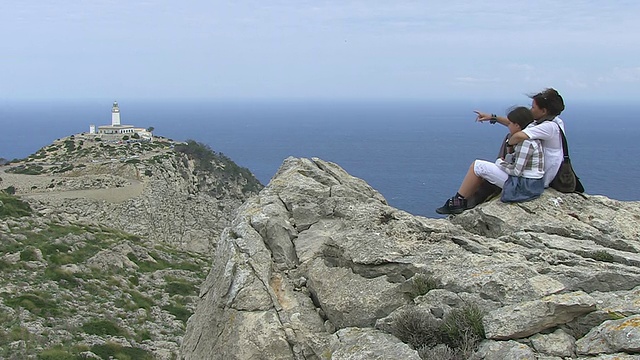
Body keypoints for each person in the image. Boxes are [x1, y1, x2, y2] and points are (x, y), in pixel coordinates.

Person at [436, 106, 544, 215]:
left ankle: (456, 202)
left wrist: (501, 164)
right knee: (484, 169)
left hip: (523, 187)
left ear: (517, 125)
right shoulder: (531, 132)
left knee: (477, 166)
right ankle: (461, 201)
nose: (508, 125)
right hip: (532, 184)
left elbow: (517, 171)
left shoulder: (526, 142)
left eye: (510, 123)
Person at [476, 88, 565, 188]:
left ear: (543, 111)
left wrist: (509, 145)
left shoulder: (549, 127)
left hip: (537, 179)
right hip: (535, 175)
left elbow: (518, 135)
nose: (531, 110)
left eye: (533, 107)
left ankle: (502, 165)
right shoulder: (552, 121)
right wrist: (493, 118)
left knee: (510, 138)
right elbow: (516, 124)